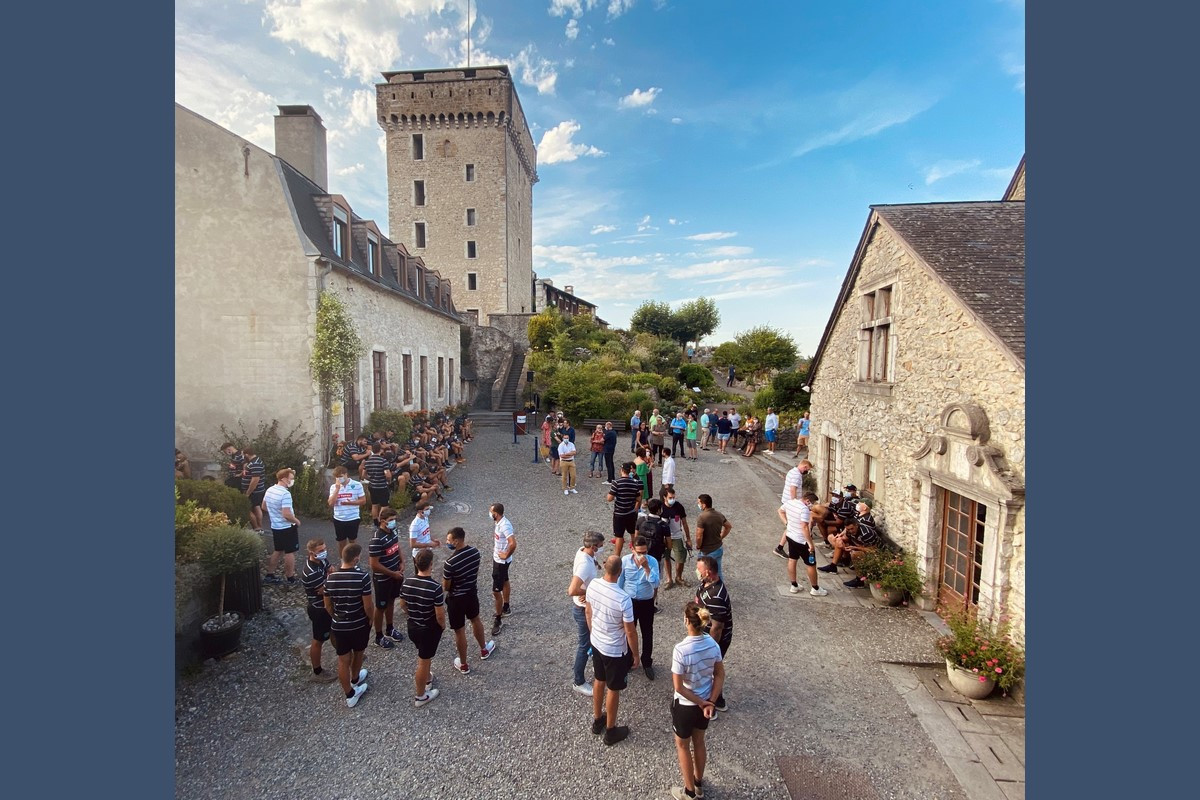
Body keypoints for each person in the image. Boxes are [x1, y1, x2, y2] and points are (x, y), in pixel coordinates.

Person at [669, 601, 726, 800]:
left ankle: (689, 792)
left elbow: (679, 687)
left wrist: (701, 703)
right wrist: (709, 701)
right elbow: (719, 674)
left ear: (686, 621)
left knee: (683, 745)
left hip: (685, 705)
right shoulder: (713, 644)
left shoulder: (681, 649)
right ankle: (698, 783)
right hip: (704, 704)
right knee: (699, 742)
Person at [585, 555, 640, 746]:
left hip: (597, 642)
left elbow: (588, 612)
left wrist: (594, 632)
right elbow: (630, 631)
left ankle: (597, 718)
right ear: (620, 572)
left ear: (605, 569)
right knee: (614, 688)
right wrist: (635, 654)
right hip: (615, 649)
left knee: (599, 679)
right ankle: (610, 730)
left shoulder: (593, 585)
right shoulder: (623, 598)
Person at [323, 543, 373, 708]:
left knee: (342, 660)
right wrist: (370, 619)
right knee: (358, 653)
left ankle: (349, 694)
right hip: (358, 623)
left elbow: (328, 605)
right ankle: (355, 679)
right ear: (356, 558)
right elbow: (367, 605)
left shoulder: (330, 578)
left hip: (339, 625)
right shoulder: (362, 577)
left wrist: (336, 617)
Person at [443, 526, 496, 676]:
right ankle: (484, 649)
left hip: (456, 599)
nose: (446, 542)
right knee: (475, 619)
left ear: (457, 541)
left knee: (459, 631)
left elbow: (446, 586)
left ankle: (464, 664)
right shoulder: (475, 553)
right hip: (471, 593)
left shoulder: (449, 563)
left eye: (449, 540)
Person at [399, 549, 446, 707]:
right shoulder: (435, 587)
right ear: (431, 565)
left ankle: (427, 678)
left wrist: (412, 613)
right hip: (428, 629)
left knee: (424, 656)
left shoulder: (406, 582)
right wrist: (442, 626)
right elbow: (439, 614)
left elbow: (403, 605)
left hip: (413, 625)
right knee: (423, 662)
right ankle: (420, 696)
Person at [567, 531, 606, 696]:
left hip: (584, 608)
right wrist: (587, 592)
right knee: (584, 645)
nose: (602, 549)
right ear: (593, 547)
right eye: (601, 547)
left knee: (590, 642)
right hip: (583, 610)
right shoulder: (585, 564)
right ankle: (579, 681)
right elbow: (572, 590)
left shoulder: (582, 550)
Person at [694, 555, 732, 713]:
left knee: (710, 670)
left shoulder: (716, 596)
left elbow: (717, 627)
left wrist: (709, 648)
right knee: (711, 669)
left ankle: (712, 704)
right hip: (703, 632)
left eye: (699, 569)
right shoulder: (706, 583)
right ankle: (719, 700)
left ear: (709, 572)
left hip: (714, 639)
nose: (697, 571)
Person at [620, 535, 661, 680]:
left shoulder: (652, 562)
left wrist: (646, 568)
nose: (642, 555)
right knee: (628, 632)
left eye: (644, 552)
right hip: (629, 601)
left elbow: (656, 583)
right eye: (639, 552)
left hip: (646, 602)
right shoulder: (625, 561)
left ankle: (647, 663)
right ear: (632, 549)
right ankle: (629, 660)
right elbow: (620, 582)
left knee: (647, 632)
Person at [367, 507, 406, 649]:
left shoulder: (393, 531)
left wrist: (402, 561)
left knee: (391, 602)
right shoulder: (376, 540)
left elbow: (397, 547)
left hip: (396, 575)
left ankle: (390, 628)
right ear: (382, 521)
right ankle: (378, 635)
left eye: (395, 519)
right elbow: (374, 564)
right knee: (380, 606)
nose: (394, 522)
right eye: (391, 520)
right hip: (383, 579)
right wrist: (392, 573)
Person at [776, 492, 829, 596]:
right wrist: (810, 544)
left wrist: (787, 523)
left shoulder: (790, 503)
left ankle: (794, 585)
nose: (812, 506)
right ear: (808, 501)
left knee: (792, 559)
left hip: (790, 536)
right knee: (811, 564)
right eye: (812, 503)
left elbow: (780, 511)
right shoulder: (804, 509)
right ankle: (815, 588)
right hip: (801, 540)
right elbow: (804, 527)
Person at [300, 537, 337, 682]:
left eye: (325, 549)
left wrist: (331, 575)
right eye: (320, 551)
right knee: (318, 640)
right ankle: (317, 671)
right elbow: (325, 589)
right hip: (319, 609)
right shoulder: (310, 572)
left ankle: (344, 653)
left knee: (335, 630)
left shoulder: (322, 561)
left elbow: (331, 570)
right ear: (311, 552)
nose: (324, 553)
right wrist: (331, 577)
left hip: (328, 605)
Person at [823, 501, 883, 586]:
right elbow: (846, 538)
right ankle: (833, 566)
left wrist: (855, 548)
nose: (850, 531)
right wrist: (840, 540)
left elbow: (873, 550)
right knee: (839, 541)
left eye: (852, 529)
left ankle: (859, 580)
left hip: (876, 552)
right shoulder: (850, 530)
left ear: (857, 525)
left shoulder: (867, 534)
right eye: (848, 529)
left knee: (855, 554)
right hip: (861, 546)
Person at [262, 467, 301, 585]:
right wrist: (296, 521)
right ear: (284, 479)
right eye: (291, 479)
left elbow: (264, 506)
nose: (292, 481)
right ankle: (290, 578)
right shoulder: (285, 494)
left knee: (278, 550)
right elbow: (286, 514)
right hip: (287, 527)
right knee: (290, 552)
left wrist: (275, 514)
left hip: (275, 526)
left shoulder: (270, 490)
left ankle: (270, 574)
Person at [327, 466, 366, 558]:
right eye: (336, 477)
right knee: (341, 542)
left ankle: (355, 561)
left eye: (340, 476)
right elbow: (331, 503)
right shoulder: (333, 487)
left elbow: (363, 501)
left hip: (353, 517)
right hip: (339, 518)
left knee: (352, 542)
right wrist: (337, 489)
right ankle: (343, 562)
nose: (339, 479)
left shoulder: (357, 485)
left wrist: (352, 503)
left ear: (346, 474)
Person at [607, 462, 643, 559]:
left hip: (619, 513)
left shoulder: (616, 482)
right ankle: (637, 554)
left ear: (622, 470)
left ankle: (617, 557)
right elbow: (639, 499)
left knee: (619, 536)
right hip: (631, 513)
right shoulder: (634, 483)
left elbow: (609, 498)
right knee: (633, 534)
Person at [490, 503, 516, 636]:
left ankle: (498, 619)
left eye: (491, 512)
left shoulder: (504, 525)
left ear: (496, 513)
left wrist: (506, 554)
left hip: (501, 562)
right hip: (501, 561)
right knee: (505, 580)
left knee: (496, 591)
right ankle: (506, 606)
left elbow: (513, 543)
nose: (490, 514)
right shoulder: (499, 522)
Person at [660, 487, 693, 589]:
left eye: (673, 497)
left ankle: (678, 577)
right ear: (664, 497)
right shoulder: (660, 508)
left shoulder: (679, 506)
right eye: (670, 497)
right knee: (666, 557)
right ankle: (669, 579)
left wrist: (688, 538)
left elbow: (684, 523)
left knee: (681, 557)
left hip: (677, 535)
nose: (672, 499)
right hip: (665, 537)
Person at [695, 495, 732, 580]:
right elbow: (728, 526)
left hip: (707, 551)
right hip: (718, 548)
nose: (698, 505)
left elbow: (699, 535)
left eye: (699, 503)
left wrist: (698, 545)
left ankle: (707, 590)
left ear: (704, 505)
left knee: (705, 575)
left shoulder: (702, 517)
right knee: (718, 573)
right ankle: (721, 589)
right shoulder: (719, 515)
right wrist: (721, 537)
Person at [362, 444, 393, 527]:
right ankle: (381, 521)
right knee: (384, 505)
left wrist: (371, 479)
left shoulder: (368, 461)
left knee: (374, 504)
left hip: (372, 486)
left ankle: (375, 521)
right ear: (381, 450)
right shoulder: (383, 461)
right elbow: (388, 475)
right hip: (382, 486)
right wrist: (388, 481)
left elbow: (363, 475)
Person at [241, 446, 266, 533]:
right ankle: (259, 528)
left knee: (247, 509)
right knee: (256, 507)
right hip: (256, 491)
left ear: (247, 454)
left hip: (254, 491)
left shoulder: (255, 463)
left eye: (243, 455)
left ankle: (257, 528)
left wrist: (248, 493)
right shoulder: (254, 462)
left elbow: (255, 480)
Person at [408, 501, 440, 566]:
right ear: (420, 511)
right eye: (426, 509)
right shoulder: (415, 525)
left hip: (427, 552)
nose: (429, 511)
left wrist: (433, 539)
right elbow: (412, 544)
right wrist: (429, 544)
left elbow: (427, 531)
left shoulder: (425, 518)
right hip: (419, 556)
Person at [558, 431, 578, 495]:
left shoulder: (571, 444)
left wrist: (566, 454)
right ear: (563, 438)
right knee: (564, 476)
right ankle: (565, 488)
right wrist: (570, 454)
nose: (566, 439)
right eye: (565, 438)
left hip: (571, 461)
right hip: (564, 462)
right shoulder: (560, 445)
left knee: (573, 475)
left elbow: (574, 452)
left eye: (567, 438)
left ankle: (572, 487)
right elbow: (561, 455)